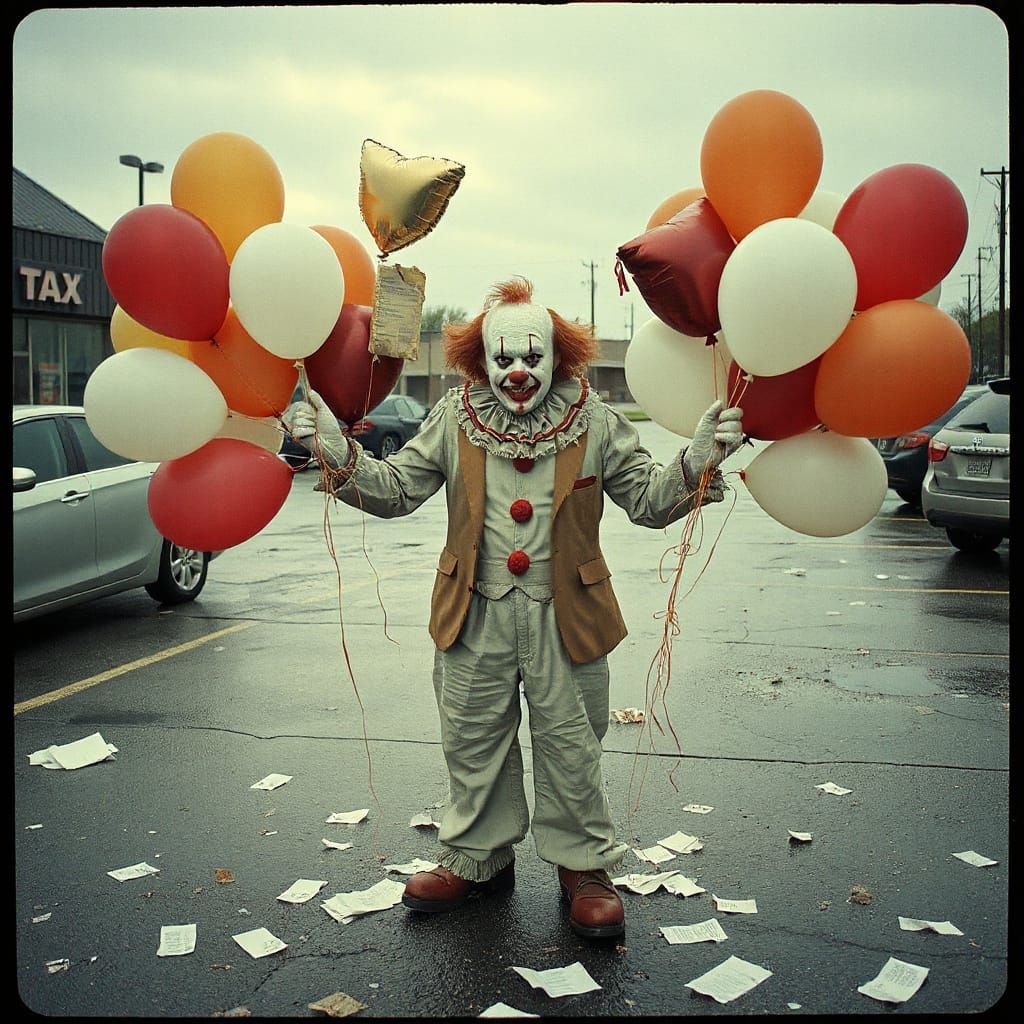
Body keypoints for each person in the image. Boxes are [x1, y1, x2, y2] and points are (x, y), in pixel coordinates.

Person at [283, 278, 742, 939]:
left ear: (558, 356)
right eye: (504, 359)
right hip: (474, 612)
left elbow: (646, 502)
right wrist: (335, 449)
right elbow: (395, 490)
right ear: (482, 360)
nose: (518, 371)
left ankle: (582, 866)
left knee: (571, 746)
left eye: (532, 356)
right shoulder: (452, 418)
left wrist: (694, 462)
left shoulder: (598, 421)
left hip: (569, 618)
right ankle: (476, 858)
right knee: (473, 741)